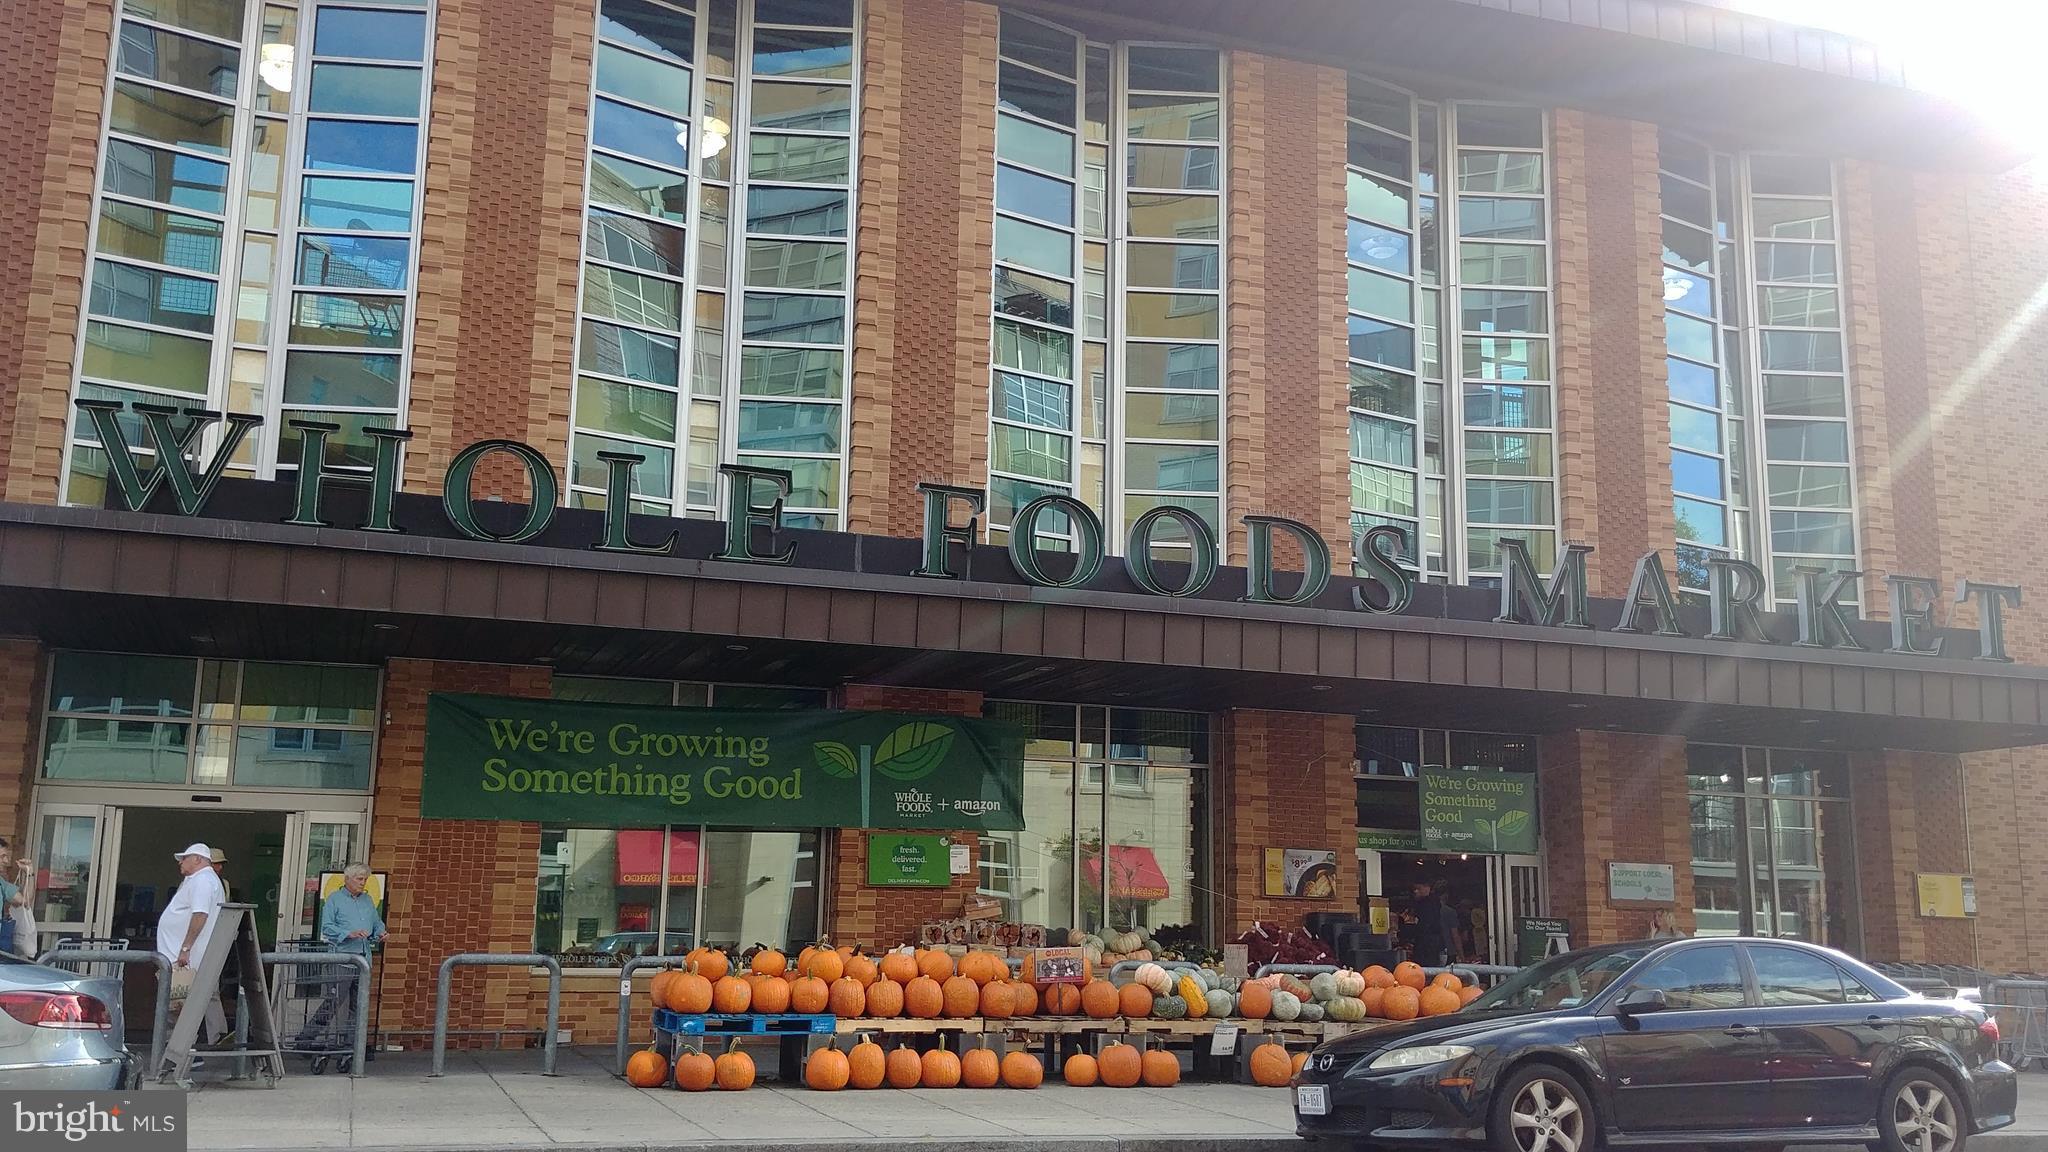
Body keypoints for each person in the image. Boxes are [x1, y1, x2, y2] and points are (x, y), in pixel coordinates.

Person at [299, 863, 385, 1051]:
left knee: (359, 1005)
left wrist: (381, 932)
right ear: (347, 879)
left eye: (365, 879)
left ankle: (351, 1044)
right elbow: (327, 927)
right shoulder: (335, 899)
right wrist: (349, 933)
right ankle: (306, 1038)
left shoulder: (368, 900)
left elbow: (376, 922)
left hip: (364, 959)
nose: (363, 883)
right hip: (343, 958)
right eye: (359, 879)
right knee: (333, 1002)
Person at [159, 843, 231, 1057]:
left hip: (186, 960)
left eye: (185, 858)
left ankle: (182, 1054)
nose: (180, 862)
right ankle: (180, 1052)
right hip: (184, 958)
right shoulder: (200, 880)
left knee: (178, 1007)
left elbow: (200, 915)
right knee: (179, 1007)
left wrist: (185, 948)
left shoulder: (203, 881)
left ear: (198, 859)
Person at [0, 837, 32, 956]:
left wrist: (30, 873)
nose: (6, 861)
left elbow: (25, 901)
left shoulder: (1, 883)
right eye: (2, 856)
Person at [1409, 880, 1450, 967]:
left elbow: (1425, 925)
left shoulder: (1428, 905)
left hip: (1429, 947)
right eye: (1414, 889)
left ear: (1427, 888)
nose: (1415, 891)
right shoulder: (1431, 903)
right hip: (1433, 945)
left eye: (1418, 888)